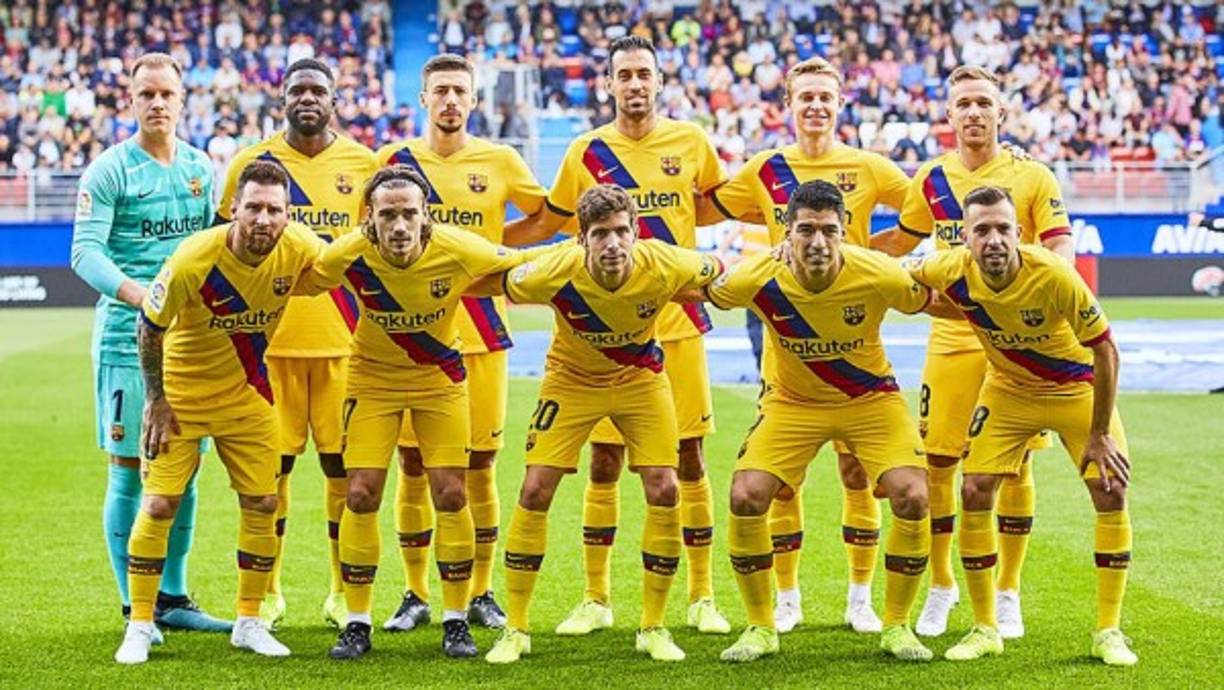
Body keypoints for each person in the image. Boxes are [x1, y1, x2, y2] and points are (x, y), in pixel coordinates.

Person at [505, 34, 731, 637]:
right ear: (608, 84)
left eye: (643, 74)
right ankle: (596, 597)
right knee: (603, 462)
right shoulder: (585, 150)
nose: (634, 83)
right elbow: (557, 220)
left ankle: (702, 596)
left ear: (659, 82)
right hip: (601, 336)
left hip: (674, 329)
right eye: (623, 74)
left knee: (688, 458)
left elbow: (709, 208)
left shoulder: (692, 142)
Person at [297, 166, 548, 661]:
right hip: (371, 381)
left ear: (425, 216)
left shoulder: (457, 246)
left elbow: (519, 263)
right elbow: (302, 278)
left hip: (440, 382)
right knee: (362, 492)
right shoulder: (349, 251)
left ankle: (455, 620)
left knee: (451, 492)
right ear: (369, 218)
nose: (399, 225)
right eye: (387, 214)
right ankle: (357, 621)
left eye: (409, 213)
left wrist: (582, 250)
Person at [700, 56, 911, 634]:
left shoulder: (869, 166)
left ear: (839, 104)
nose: (815, 105)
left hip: (853, 336)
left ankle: (860, 598)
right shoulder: (765, 168)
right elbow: (697, 207)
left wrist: (882, 251)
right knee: (783, 479)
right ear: (788, 104)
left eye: (826, 96)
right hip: (786, 338)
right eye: (805, 96)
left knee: (856, 474)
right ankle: (787, 597)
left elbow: (926, 208)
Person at [693, 180, 945, 662]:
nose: (818, 242)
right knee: (746, 496)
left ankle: (897, 626)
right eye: (806, 230)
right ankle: (761, 627)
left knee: (914, 495)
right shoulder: (757, 276)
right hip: (792, 403)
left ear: (845, 230)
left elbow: (934, 301)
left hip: (870, 399)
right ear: (786, 231)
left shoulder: (878, 272)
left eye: (829, 230)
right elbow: (701, 289)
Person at [871, 65, 1075, 638]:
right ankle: (941, 585)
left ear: (1001, 113)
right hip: (955, 339)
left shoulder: (1033, 177)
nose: (974, 113)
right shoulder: (931, 178)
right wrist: (848, 253)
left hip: (1013, 344)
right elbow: (903, 244)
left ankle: (1007, 590)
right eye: (963, 104)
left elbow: (1059, 245)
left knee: (1013, 467)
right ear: (949, 115)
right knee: (939, 462)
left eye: (984, 102)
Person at [482, 184, 725, 664]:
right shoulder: (552, 269)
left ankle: (654, 627)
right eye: (599, 235)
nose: (612, 244)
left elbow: (716, 269)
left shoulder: (663, 261)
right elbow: (496, 279)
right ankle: (516, 628)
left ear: (635, 232)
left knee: (664, 487)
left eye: (620, 232)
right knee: (534, 489)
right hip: (570, 381)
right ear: (582, 241)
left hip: (640, 380)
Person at [908, 185, 1136, 666]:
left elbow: (1106, 350)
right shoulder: (949, 267)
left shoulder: (1053, 274)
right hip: (1010, 390)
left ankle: (1109, 631)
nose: (993, 239)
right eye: (981, 230)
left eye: (1003, 229)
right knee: (974, 490)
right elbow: (895, 273)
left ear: (1018, 232)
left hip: (1076, 388)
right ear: (964, 238)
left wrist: (1098, 435)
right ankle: (985, 626)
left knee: (1110, 488)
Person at [116, 159, 322, 664]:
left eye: (275, 210)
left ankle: (249, 620)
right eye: (252, 207)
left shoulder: (299, 247)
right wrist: (157, 401)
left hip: (248, 398)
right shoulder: (193, 258)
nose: (263, 220)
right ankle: (140, 623)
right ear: (233, 209)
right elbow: (149, 325)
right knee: (159, 504)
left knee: (263, 504)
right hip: (181, 400)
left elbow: (344, 263)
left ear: (288, 214)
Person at [372, 53, 551, 632]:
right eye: (440, 90)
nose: (450, 100)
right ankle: (415, 592)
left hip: (480, 331)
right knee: (414, 464)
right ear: (423, 99)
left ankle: (479, 591)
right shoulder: (393, 162)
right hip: (414, 336)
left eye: (460, 91)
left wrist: (495, 241)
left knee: (480, 465)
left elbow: (546, 219)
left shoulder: (499, 160)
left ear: (474, 100)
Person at [70, 51, 228, 642]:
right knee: (131, 471)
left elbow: (211, 249)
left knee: (182, 473)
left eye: (167, 93)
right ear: (131, 101)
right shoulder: (109, 171)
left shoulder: (199, 167)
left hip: (192, 347)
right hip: (125, 342)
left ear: (183, 99)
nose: (157, 103)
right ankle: (131, 605)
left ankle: (174, 597)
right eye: (146, 94)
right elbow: (84, 254)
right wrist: (147, 296)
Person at [217, 58, 379, 628]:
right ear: (280, 97)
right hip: (268, 351)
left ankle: (339, 592)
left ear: (336, 99)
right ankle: (268, 591)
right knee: (270, 479)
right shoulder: (250, 164)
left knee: (343, 475)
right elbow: (223, 251)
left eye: (318, 90)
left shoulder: (365, 163)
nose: (307, 97)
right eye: (297, 89)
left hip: (345, 348)